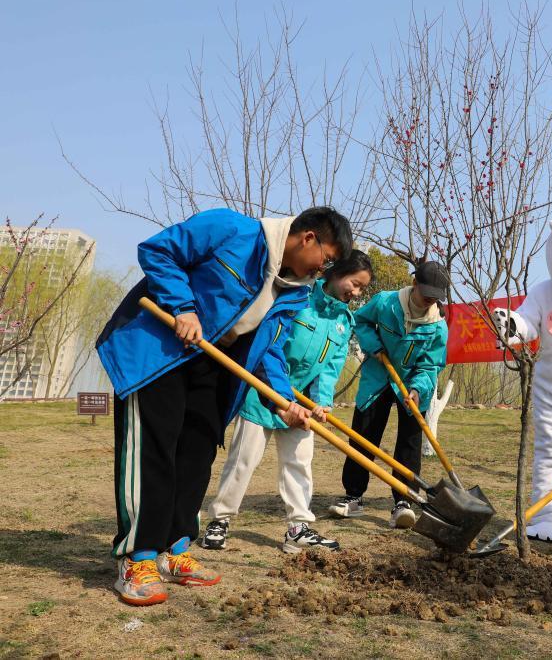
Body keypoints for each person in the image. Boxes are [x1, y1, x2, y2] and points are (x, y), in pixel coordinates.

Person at [95, 206, 352, 606]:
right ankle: (138, 557)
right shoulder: (231, 229)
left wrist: (282, 402)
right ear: (307, 239)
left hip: (213, 367)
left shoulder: (295, 291)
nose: (324, 270)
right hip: (162, 348)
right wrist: (183, 307)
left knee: (196, 454)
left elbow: (269, 351)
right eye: (327, 259)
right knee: (154, 450)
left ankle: (176, 549)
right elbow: (158, 251)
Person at [200, 250, 374, 554]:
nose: (355, 292)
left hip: (301, 402)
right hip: (263, 389)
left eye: (361, 288)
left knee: (299, 463)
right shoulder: (299, 299)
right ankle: (220, 521)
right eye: (354, 283)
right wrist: (276, 391)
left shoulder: (343, 323)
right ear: (336, 272)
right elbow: (273, 343)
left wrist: (322, 403)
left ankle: (298, 528)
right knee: (243, 460)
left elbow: (330, 368)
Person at [328, 261, 449, 529]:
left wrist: (418, 389)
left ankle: (403, 501)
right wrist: (373, 346)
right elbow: (360, 321)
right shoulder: (386, 303)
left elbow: (430, 365)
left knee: (409, 441)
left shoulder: (437, 326)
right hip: (378, 375)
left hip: (411, 386)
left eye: (435, 296)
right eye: (426, 292)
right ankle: (354, 496)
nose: (430, 300)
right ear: (414, 283)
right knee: (364, 434)